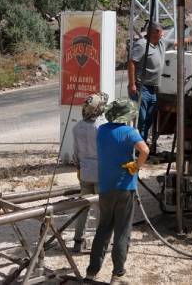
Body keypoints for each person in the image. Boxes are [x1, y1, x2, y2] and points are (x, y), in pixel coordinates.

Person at [86, 98, 149, 281]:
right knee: (122, 231)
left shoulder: (101, 130)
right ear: (127, 116)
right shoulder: (130, 132)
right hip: (125, 187)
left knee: (103, 228)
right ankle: (117, 274)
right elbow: (144, 150)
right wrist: (136, 166)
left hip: (105, 187)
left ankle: (91, 272)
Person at [70, 91, 107, 253]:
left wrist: (79, 168)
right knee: (101, 210)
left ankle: (78, 241)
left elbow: (75, 154)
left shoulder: (77, 127)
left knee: (83, 208)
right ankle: (101, 243)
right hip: (100, 173)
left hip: (84, 172)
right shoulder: (102, 127)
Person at [128, 22, 165, 146]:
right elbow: (132, 62)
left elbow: (178, 42)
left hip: (153, 89)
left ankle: (142, 145)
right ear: (154, 32)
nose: (163, 34)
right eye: (161, 32)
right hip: (141, 87)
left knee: (148, 120)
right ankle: (136, 148)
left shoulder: (160, 44)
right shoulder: (142, 45)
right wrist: (132, 83)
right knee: (141, 119)